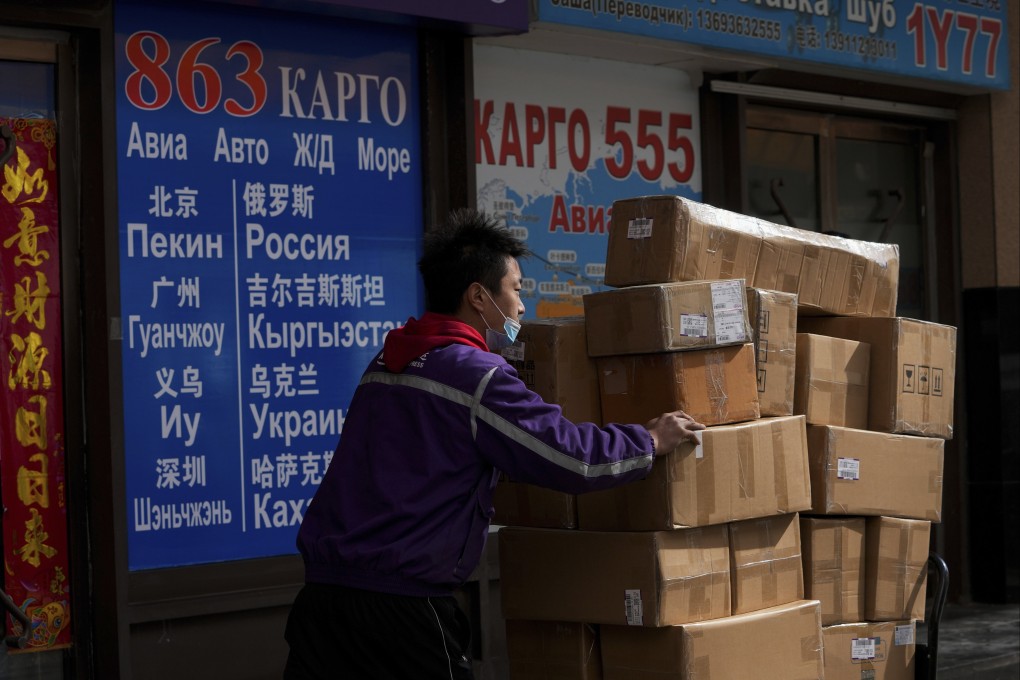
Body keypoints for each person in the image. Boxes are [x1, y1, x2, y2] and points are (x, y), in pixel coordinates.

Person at [283, 208, 705, 679]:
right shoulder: (476, 375)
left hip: (322, 602)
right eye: (517, 290)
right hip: (401, 610)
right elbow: (567, 456)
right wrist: (648, 438)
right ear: (479, 296)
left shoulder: (387, 363)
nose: (522, 306)